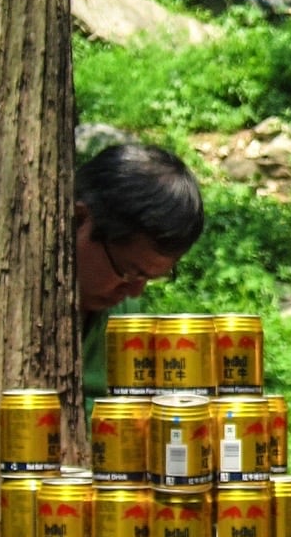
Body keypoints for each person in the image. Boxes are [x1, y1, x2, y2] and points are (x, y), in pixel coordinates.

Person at [76, 142, 205, 413]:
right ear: (80, 221)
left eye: (150, 278)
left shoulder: (123, 317)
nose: (134, 291)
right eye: (129, 271)